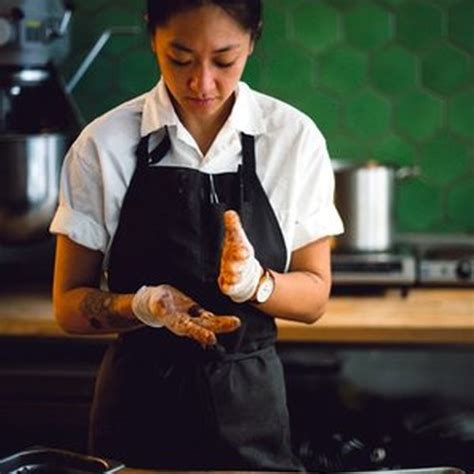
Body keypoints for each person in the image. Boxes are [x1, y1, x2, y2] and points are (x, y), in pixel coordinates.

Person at [50, 0, 344, 470]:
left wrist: (255, 283)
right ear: (152, 39)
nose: (201, 83)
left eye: (224, 60)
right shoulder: (102, 146)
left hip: (250, 413)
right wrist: (143, 306)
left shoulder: (292, 140)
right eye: (179, 59)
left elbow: (314, 298)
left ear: (252, 40)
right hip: (136, 415)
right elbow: (68, 305)